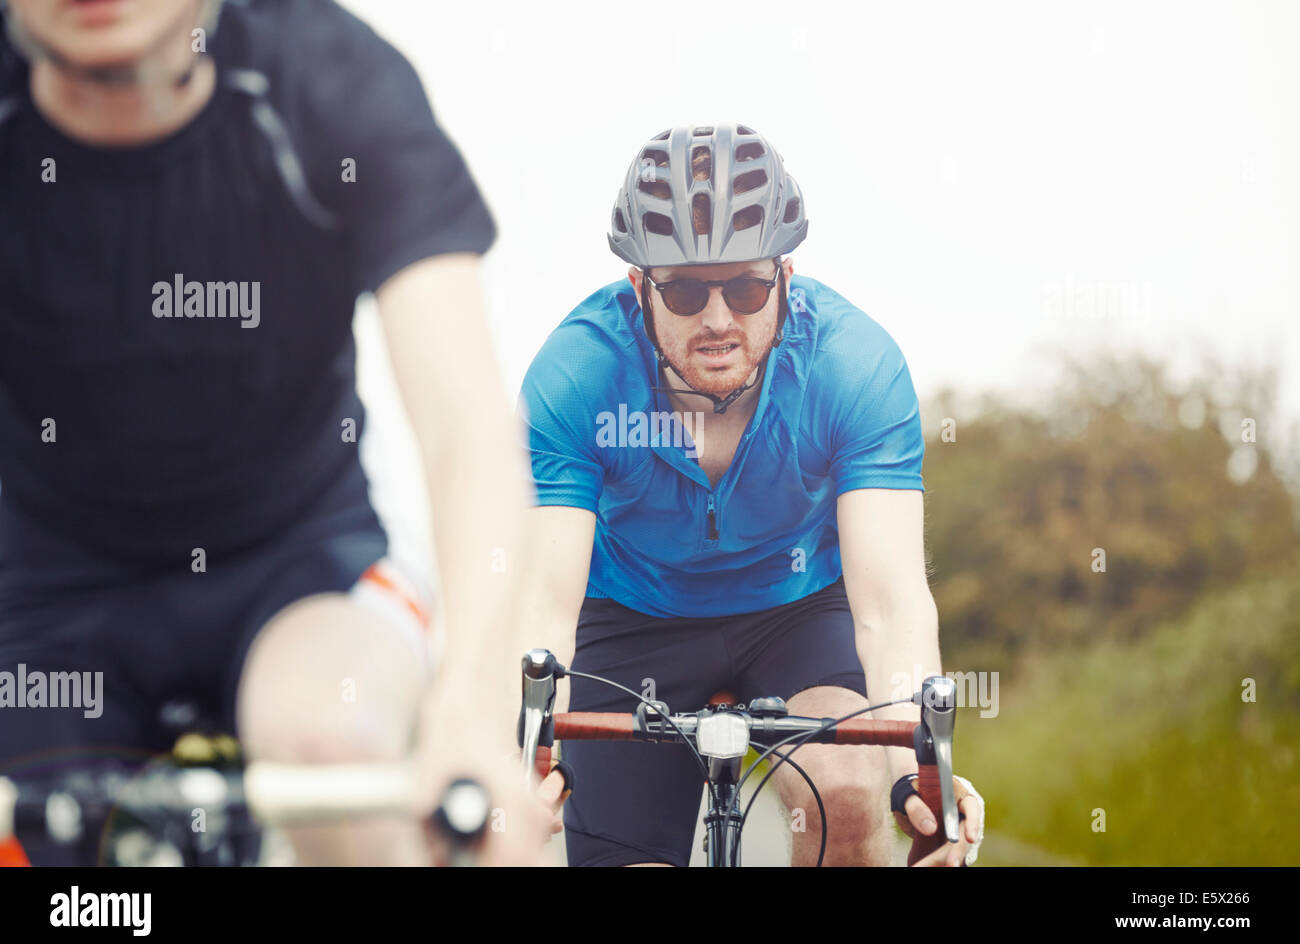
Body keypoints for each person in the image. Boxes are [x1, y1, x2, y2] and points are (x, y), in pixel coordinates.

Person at [0, 0, 559, 865]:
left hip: (299, 568)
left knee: (330, 738)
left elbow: (470, 431)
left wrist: (470, 715)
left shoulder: (327, 82)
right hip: (43, 596)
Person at [518, 123, 985, 866]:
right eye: (681, 289)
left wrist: (919, 776)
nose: (716, 318)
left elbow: (892, 608)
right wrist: (522, 755)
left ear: (786, 276)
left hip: (796, 610)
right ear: (639, 287)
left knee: (850, 796)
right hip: (630, 617)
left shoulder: (853, 369)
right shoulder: (576, 375)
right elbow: (541, 609)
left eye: (744, 286)